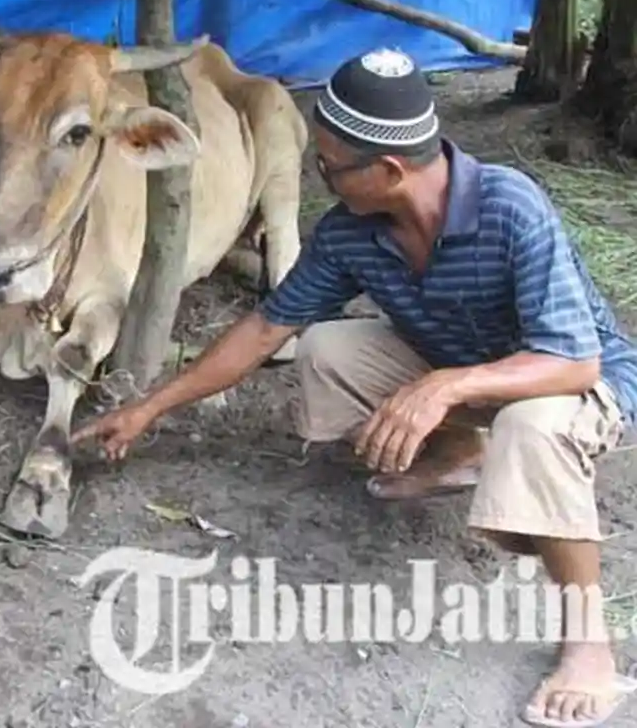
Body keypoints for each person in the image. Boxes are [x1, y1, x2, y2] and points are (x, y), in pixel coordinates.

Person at [73, 47, 637, 727]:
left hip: (574, 385)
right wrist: (148, 408)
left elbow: (573, 362)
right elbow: (263, 328)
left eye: (329, 164)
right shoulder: (351, 233)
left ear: (390, 170)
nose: (319, 174)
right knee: (328, 347)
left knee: (532, 426)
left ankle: (588, 644)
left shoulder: (510, 206)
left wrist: (446, 386)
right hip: (467, 372)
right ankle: (461, 453)